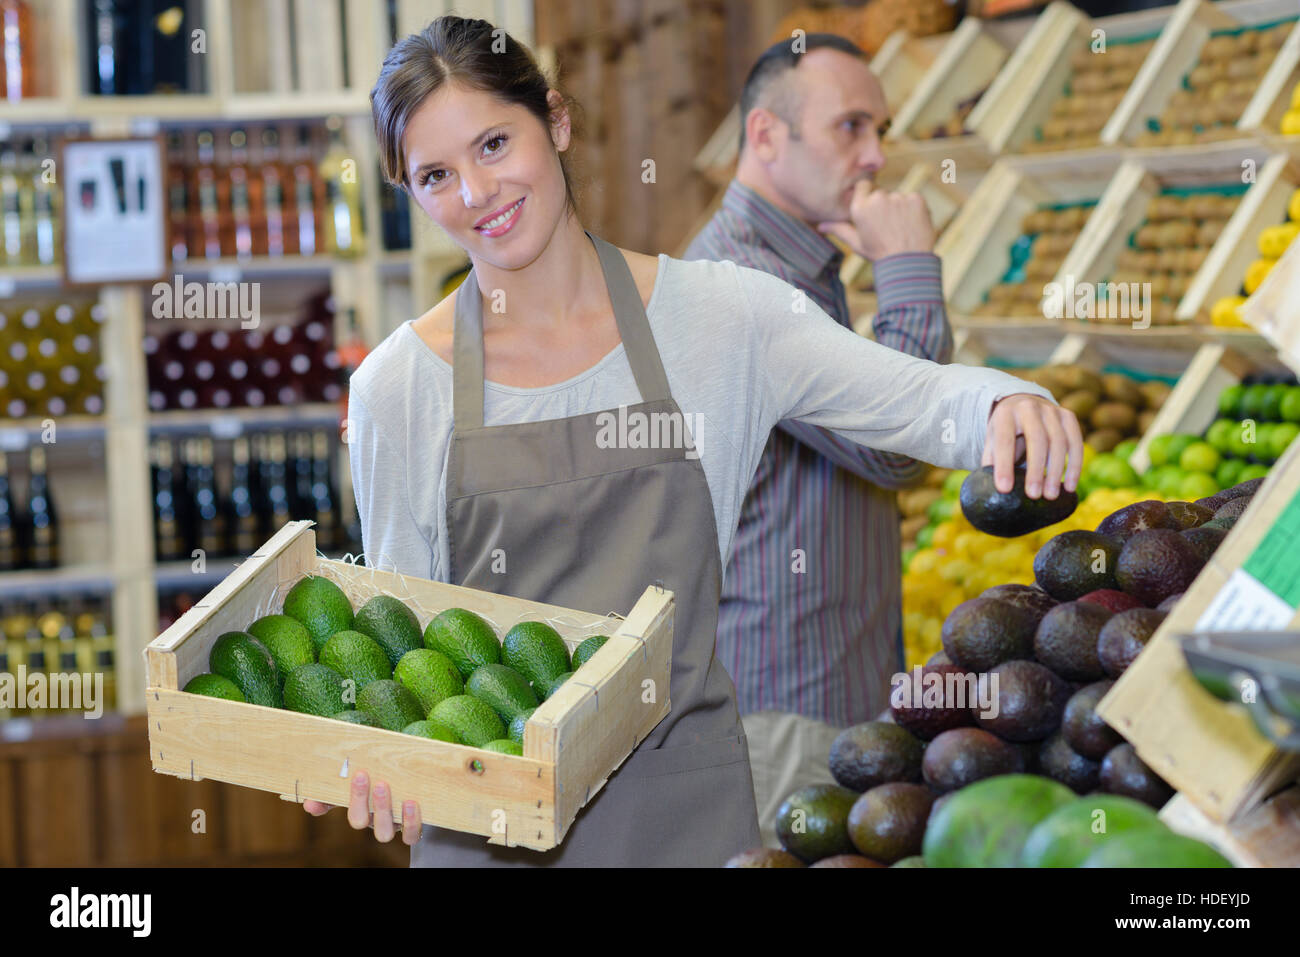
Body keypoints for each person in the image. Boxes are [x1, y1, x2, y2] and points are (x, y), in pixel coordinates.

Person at [304, 15, 1082, 867]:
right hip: (488, 831)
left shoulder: (720, 317)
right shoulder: (396, 387)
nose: (477, 192)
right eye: (436, 175)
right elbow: (400, 642)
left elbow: (918, 400)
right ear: (407, 192)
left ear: (556, 122)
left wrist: (1010, 401)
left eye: (495, 143)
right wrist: (371, 753)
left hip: (685, 817)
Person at [684, 35, 950, 847]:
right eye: (851, 128)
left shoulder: (796, 270)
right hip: (785, 707)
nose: (875, 157)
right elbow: (901, 444)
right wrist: (907, 266)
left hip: (820, 693)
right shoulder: (748, 284)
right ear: (766, 136)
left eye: (881, 130)